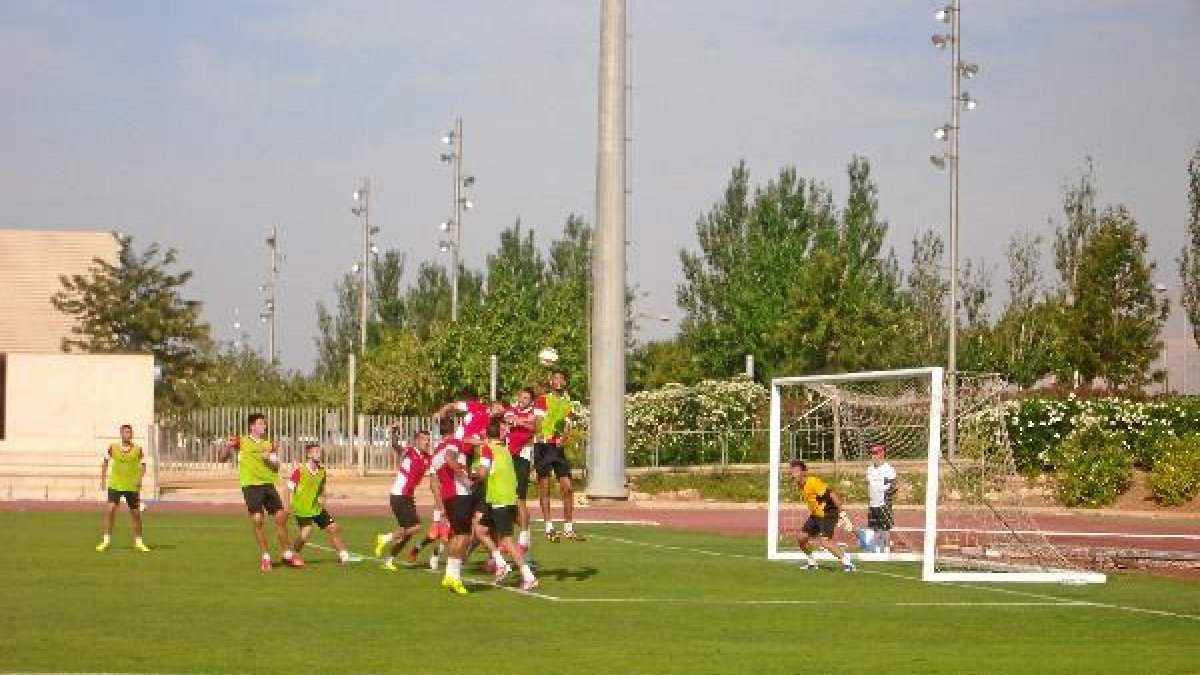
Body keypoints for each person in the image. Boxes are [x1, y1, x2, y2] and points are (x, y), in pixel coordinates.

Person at [218, 413, 300, 572]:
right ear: (252, 426)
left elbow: (276, 466)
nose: (264, 426)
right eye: (261, 423)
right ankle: (266, 557)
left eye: (264, 424)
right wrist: (228, 447)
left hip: (268, 485)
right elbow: (222, 459)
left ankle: (287, 554)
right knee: (257, 520)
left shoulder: (269, 444)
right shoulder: (241, 441)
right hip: (250, 486)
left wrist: (268, 459)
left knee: (281, 517)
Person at [476, 415, 538, 590]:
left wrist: (471, 475)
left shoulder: (488, 449)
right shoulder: (504, 449)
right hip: (502, 499)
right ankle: (501, 564)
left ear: (487, 433)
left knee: (507, 540)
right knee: (480, 530)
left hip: (499, 500)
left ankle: (528, 575)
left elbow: (482, 473)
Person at [375, 428, 434, 571]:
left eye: (428, 439)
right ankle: (385, 538)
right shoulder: (410, 452)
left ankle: (388, 561)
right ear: (417, 441)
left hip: (407, 496)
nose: (426, 442)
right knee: (415, 528)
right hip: (399, 495)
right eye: (423, 439)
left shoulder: (428, 458)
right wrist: (393, 433)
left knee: (407, 533)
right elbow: (395, 446)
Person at [533, 371, 582, 542]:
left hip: (558, 448)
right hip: (544, 447)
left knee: (567, 487)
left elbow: (568, 425)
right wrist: (541, 435)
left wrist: (565, 438)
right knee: (544, 487)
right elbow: (538, 421)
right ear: (551, 381)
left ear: (565, 382)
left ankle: (568, 528)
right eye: (556, 378)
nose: (559, 381)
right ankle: (549, 527)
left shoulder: (567, 402)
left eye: (562, 378)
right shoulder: (542, 399)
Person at [430, 416, 474, 595]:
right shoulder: (454, 443)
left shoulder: (435, 451)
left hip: (448, 496)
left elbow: (434, 482)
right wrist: (465, 476)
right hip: (460, 494)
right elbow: (450, 458)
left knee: (456, 536)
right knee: (464, 537)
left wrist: (440, 505)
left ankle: (450, 575)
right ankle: (455, 577)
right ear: (454, 428)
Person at [286, 444, 351, 565]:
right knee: (307, 532)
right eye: (315, 452)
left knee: (334, 528)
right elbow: (288, 489)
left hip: (316, 508)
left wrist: (323, 497)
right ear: (309, 455)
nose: (318, 454)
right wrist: (287, 507)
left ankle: (344, 555)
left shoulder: (322, 471)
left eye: (319, 452)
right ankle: (291, 555)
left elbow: (322, 487)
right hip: (302, 508)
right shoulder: (300, 471)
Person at [789, 460, 855, 572]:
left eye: (796, 471)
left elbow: (832, 495)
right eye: (792, 471)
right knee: (801, 538)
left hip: (828, 513)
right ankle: (812, 563)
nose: (793, 473)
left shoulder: (813, 482)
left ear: (804, 472)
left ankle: (848, 563)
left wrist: (842, 514)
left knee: (825, 542)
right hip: (816, 515)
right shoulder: (799, 484)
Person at [96, 424, 150, 552]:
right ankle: (106, 541)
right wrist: (103, 480)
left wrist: (139, 479)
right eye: (126, 432)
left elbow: (143, 466)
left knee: (136, 514)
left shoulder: (138, 449)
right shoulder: (112, 448)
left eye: (130, 432)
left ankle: (139, 542)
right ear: (121, 434)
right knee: (111, 509)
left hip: (131, 486)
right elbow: (105, 463)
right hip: (115, 484)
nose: (128, 435)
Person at [503, 388, 538, 553]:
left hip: (522, 457)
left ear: (531, 401)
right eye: (521, 396)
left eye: (526, 398)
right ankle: (512, 535)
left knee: (519, 498)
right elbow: (507, 419)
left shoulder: (534, 412)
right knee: (507, 498)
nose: (523, 400)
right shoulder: (512, 409)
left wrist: (520, 422)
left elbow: (534, 426)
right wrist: (521, 421)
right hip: (508, 456)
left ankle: (524, 537)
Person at [864, 445, 899, 552]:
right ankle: (877, 549)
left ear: (882, 454)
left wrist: (886, 495)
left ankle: (886, 549)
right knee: (875, 527)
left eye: (876, 453)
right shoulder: (869, 469)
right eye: (873, 454)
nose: (873, 456)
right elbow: (868, 483)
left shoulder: (888, 469)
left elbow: (894, 485)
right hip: (872, 503)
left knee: (885, 527)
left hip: (884, 502)